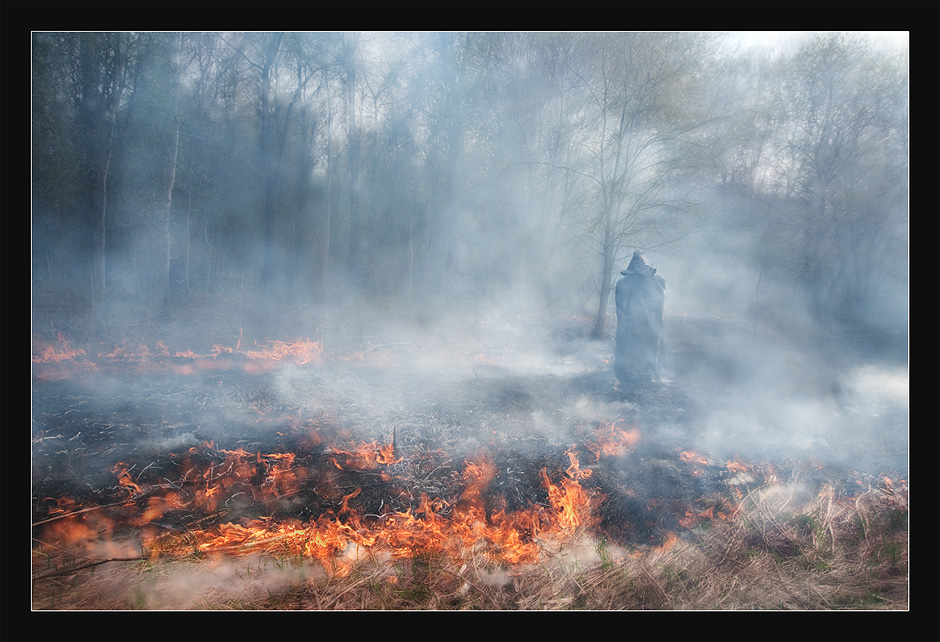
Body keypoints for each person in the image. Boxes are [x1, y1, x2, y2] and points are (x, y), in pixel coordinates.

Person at [614, 251, 666, 384]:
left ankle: (646, 373)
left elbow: (657, 304)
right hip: (632, 323)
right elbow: (621, 306)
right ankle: (632, 373)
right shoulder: (624, 284)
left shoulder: (656, 283)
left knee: (648, 346)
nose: (637, 277)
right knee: (631, 346)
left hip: (649, 324)